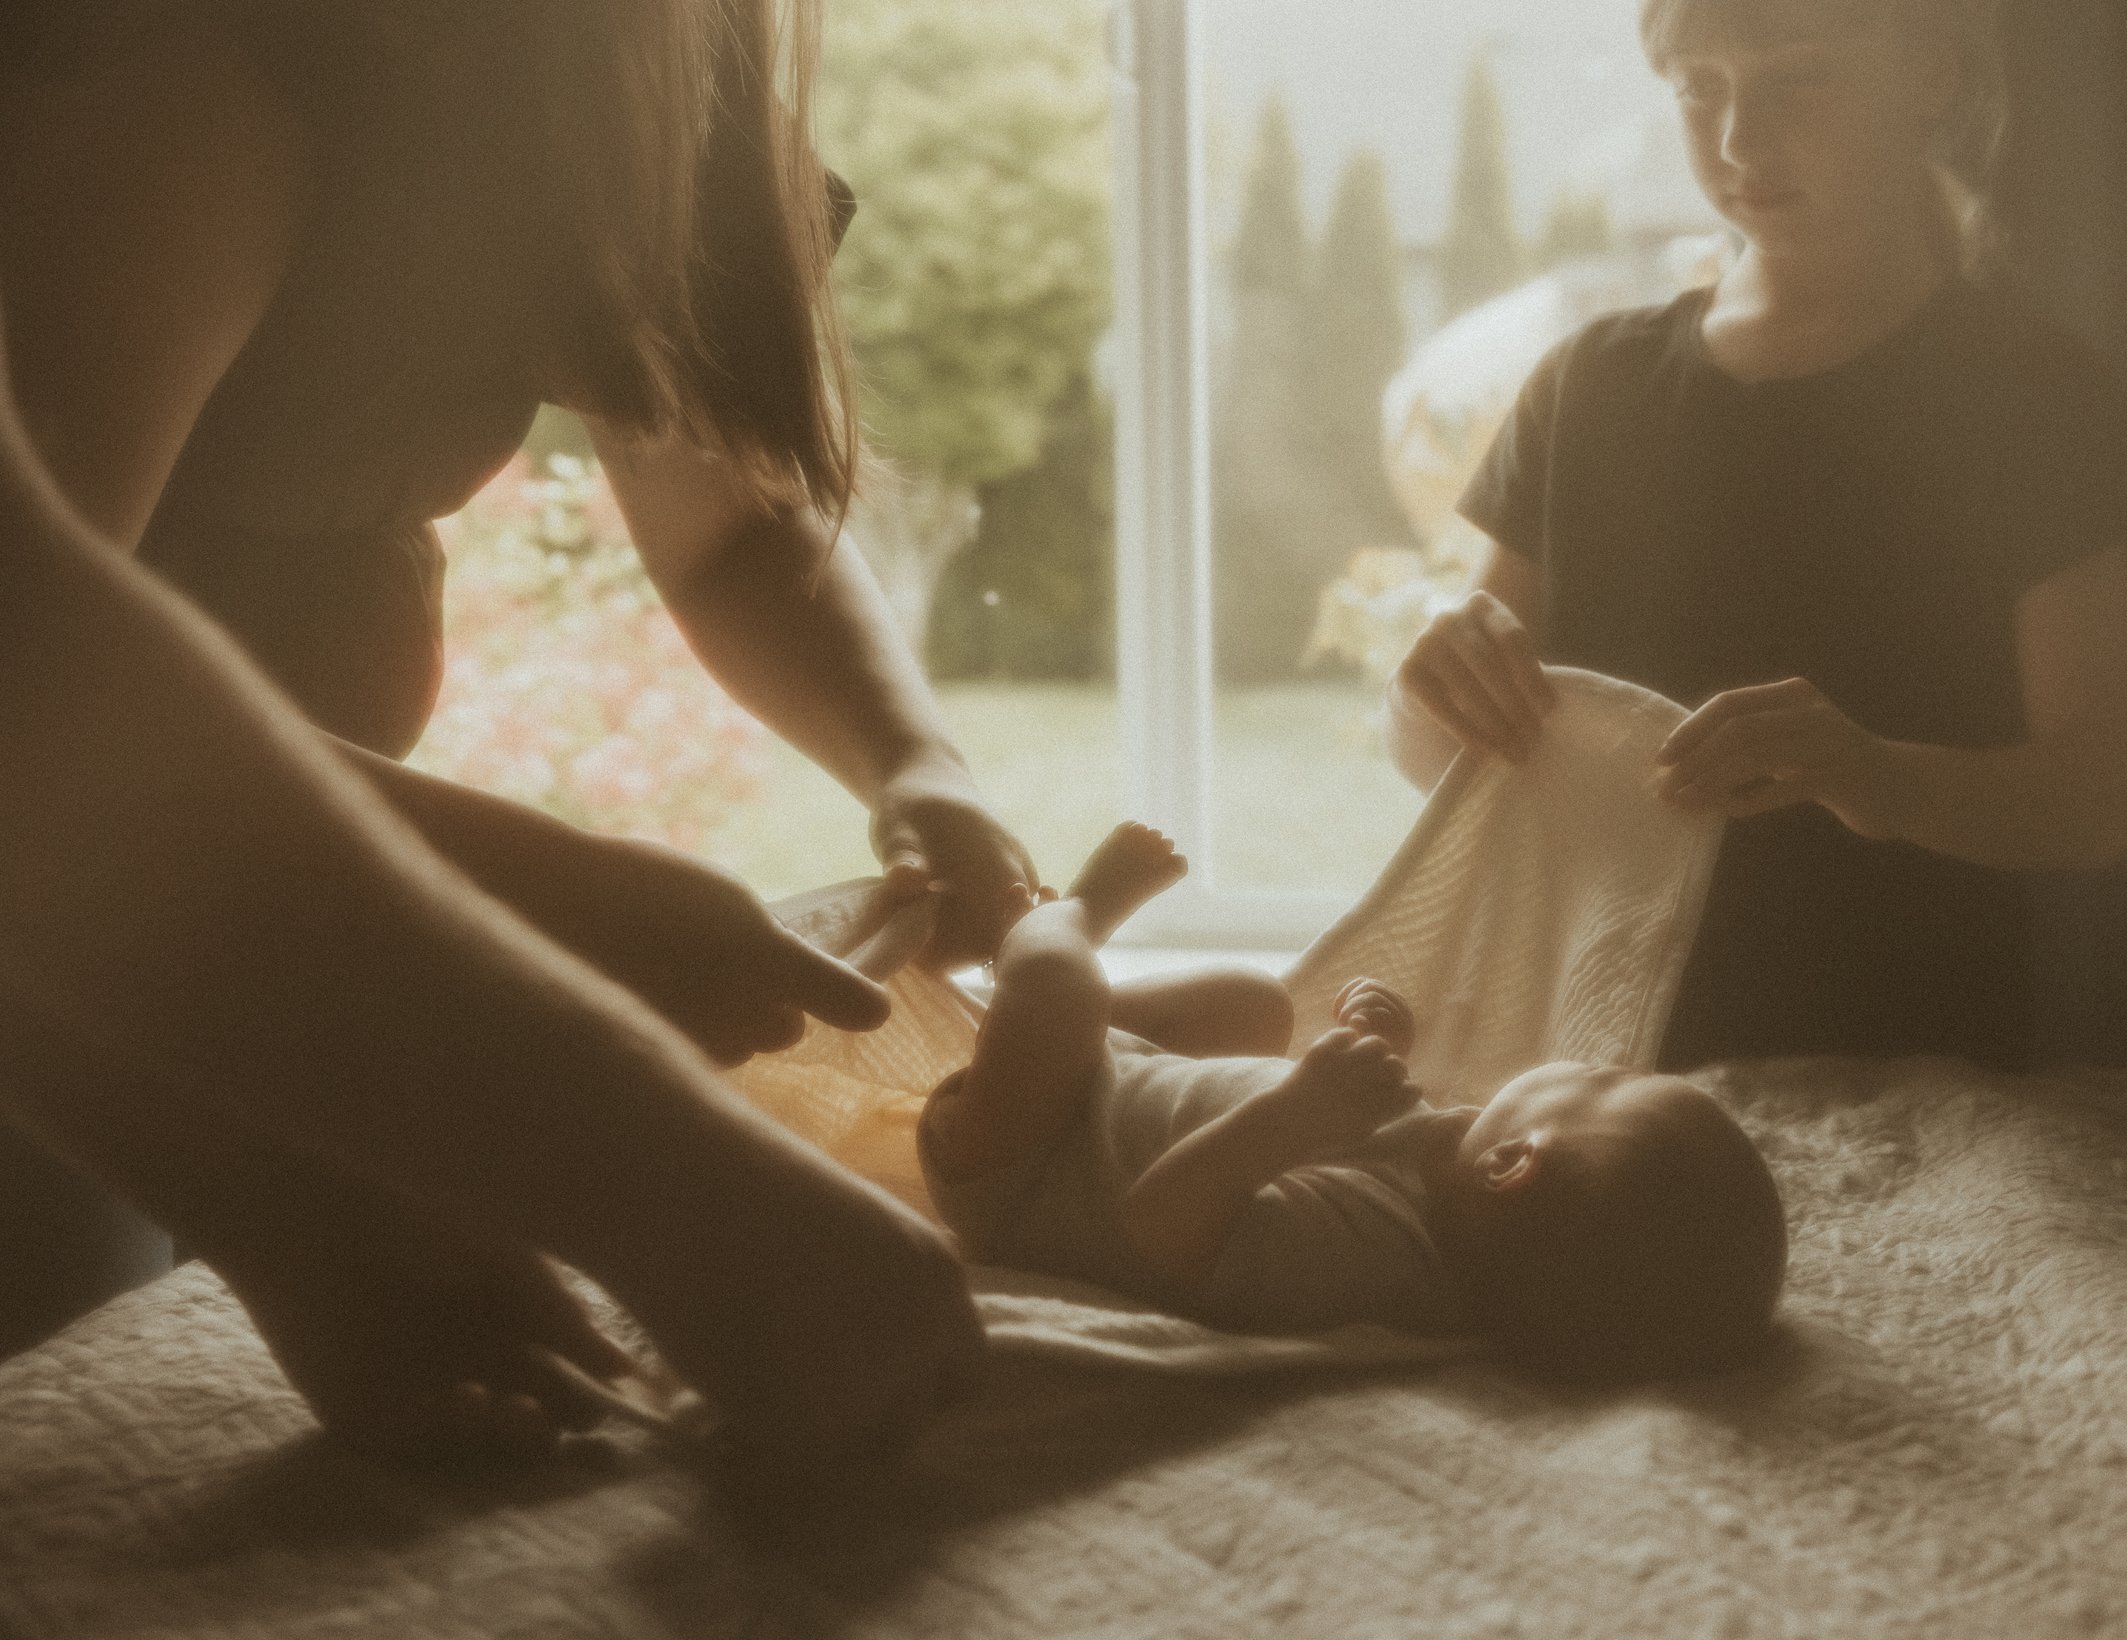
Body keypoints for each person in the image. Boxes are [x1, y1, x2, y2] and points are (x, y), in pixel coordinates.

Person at [0, 3, 1034, 1359]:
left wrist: (916, 763)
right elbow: (43, 703)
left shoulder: (630, 72)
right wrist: (531, 907)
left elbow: (724, 517)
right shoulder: (193, 81)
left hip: (230, 921)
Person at [0, 309, 983, 1483]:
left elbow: (729, 504)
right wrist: (674, 1179)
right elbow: (39, 690)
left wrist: (293, 1214)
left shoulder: (598, 172)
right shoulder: (176, 134)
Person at [1390, 0, 2127, 1071]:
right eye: (1701, 89)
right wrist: (1428, 684)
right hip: (1584, 1071)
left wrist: (1871, 773)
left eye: (1797, 78)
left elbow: (2096, 798)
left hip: (1908, 1066)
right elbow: (1451, 757)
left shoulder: (2034, 397)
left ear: (1928, 73)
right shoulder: (1588, 387)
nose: (1740, 140)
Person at [913, 824, 1788, 1377]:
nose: (1596, 1062)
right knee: (1255, 1004)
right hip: (1111, 1091)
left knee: (1059, 994)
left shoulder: (1370, 1253)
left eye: (1605, 1083)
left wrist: (1295, 1111)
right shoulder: (1453, 1168)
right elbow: (1359, 1125)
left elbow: (1162, 1222)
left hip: (1023, 1163)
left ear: (1514, 1163)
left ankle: (1060, 928)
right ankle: (1084, 1011)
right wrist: (1378, 1051)